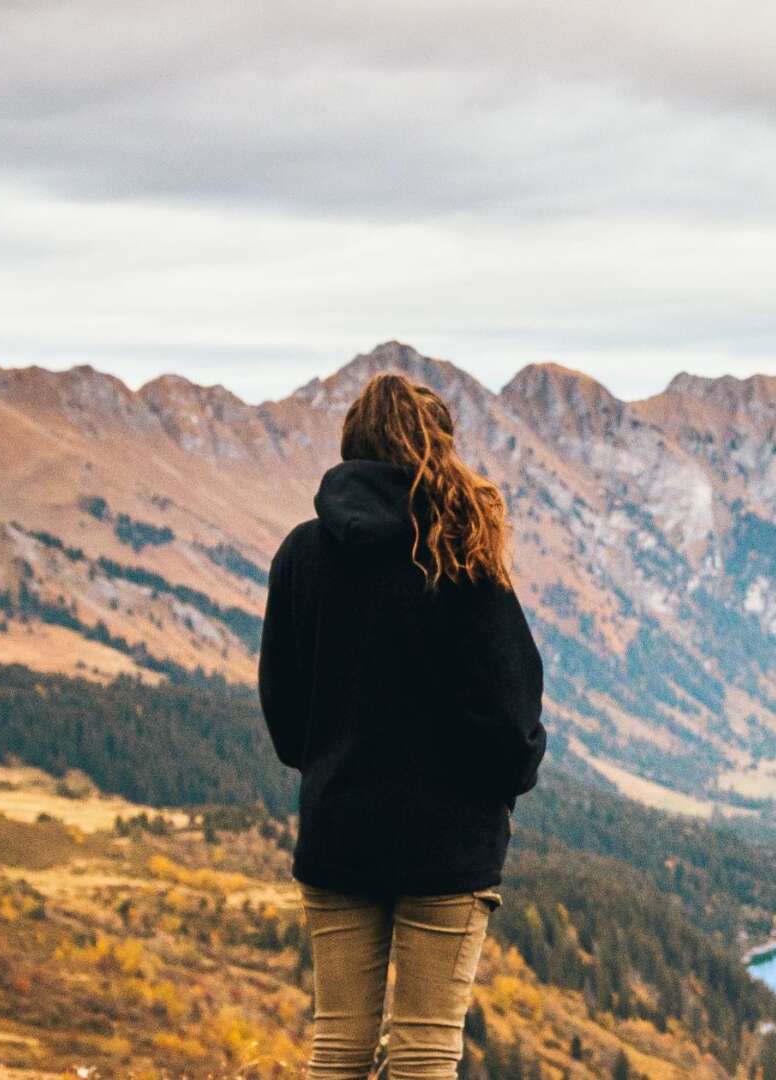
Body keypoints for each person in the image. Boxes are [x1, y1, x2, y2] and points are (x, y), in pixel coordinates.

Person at [258, 372, 547, 1079]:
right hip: (447, 844)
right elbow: (510, 718)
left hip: (338, 829)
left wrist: (331, 765)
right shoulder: (460, 550)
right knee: (425, 1052)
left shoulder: (301, 554)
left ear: (352, 448)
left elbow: (284, 709)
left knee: (339, 1048)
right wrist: (503, 788)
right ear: (435, 448)